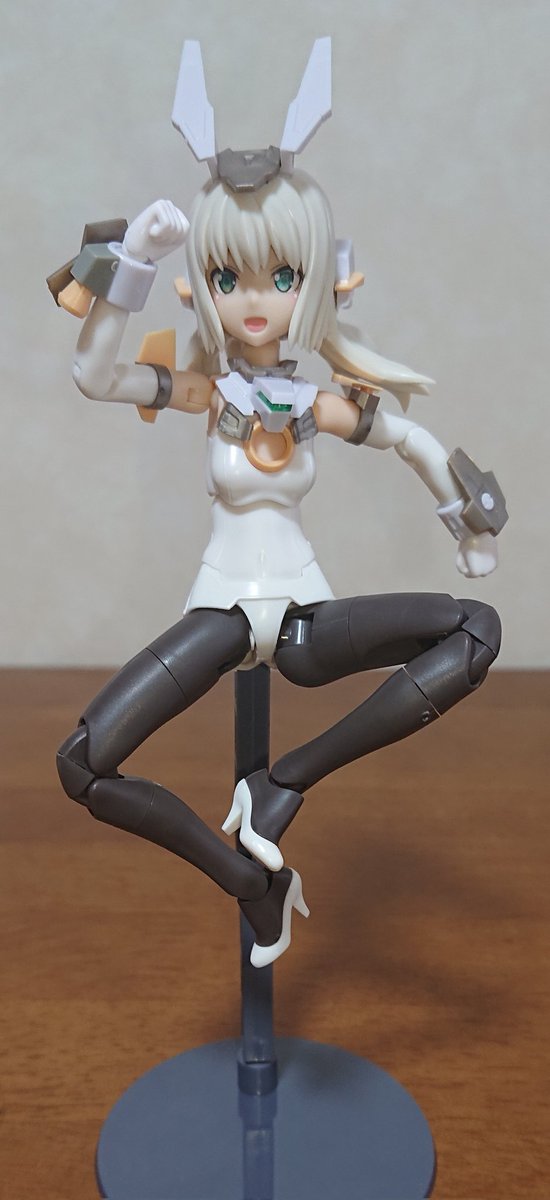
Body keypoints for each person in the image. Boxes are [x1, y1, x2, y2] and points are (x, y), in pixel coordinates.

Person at [53, 41, 506, 967]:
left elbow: (411, 438)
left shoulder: (317, 404)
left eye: (280, 277)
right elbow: (94, 375)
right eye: (229, 279)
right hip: (220, 617)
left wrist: (467, 522)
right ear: (205, 284)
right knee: (82, 763)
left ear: (314, 281)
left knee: (476, 631)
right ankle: (251, 883)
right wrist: (132, 261)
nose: (255, 300)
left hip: (303, 622)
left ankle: (284, 784)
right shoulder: (205, 392)